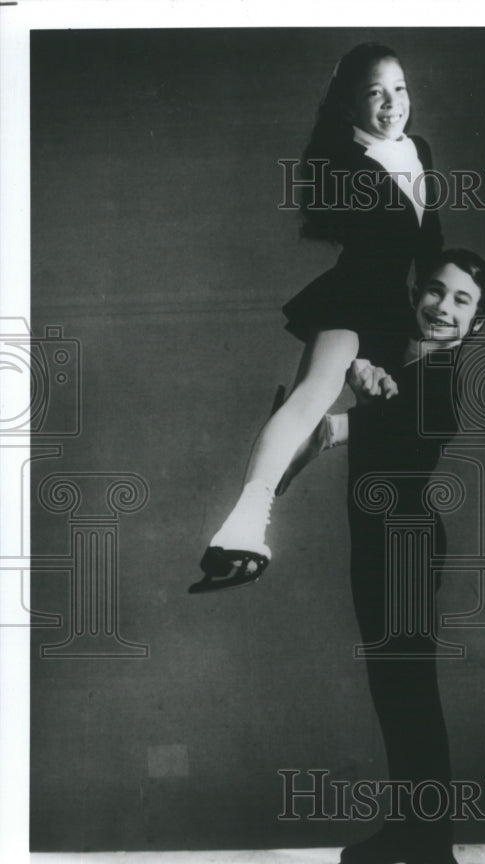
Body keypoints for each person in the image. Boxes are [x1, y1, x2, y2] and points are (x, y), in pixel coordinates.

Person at [189, 42, 441, 593]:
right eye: (374, 92)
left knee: (425, 414)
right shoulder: (343, 161)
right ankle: (244, 526)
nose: (391, 103)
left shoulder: (419, 150)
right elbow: (375, 240)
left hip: (401, 311)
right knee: (315, 391)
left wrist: (430, 318)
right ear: (349, 106)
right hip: (357, 297)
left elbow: (430, 244)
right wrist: (368, 355)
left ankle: (327, 435)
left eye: (399, 89)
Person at [340, 249, 485, 864]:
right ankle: (409, 827)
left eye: (462, 300)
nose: (443, 306)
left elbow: (380, 429)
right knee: (389, 689)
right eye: (435, 291)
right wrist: (361, 371)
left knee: (410, 699)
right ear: (415, 296)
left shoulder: (439, 380)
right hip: (376, 544)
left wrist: (343, 407)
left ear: (476, 322)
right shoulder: (395, 357)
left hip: (403, 546)